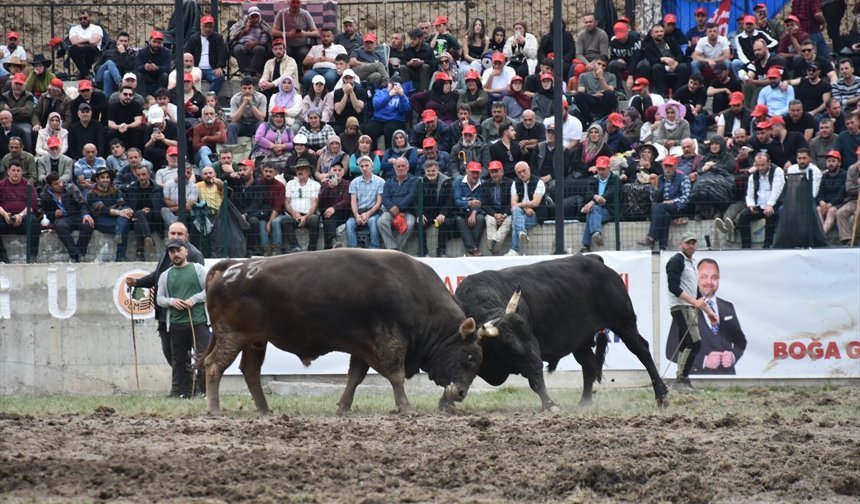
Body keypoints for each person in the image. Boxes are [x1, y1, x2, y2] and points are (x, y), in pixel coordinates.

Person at [127, 222, 203, 370]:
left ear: (187, 237)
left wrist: (188, 301)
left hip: (186, 315)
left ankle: (194, 387)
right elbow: (157, 276)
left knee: (189, 353)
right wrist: (137, 282)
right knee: (170, 353)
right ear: (168, 235)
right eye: (172, 233)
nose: (175, 237)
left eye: (179, 234)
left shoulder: (195, 255)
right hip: (164, 312)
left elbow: (198, 285)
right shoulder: (166, 251)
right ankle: (184, 386)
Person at [156, 238, 210, 399]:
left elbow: (209, 290)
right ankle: (180, 391)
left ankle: (205, 391)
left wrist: (194, 299)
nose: (175, 254)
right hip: (176, 323)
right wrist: (171, 301)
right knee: (179, 360)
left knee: (203, 357)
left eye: (178, 250)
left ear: (186, 251)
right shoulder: (165, 275)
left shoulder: (198, 270)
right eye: (172, 252)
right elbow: (159, 299)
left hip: (199, 322)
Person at [637, 155, 691, 251]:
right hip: (664, 209)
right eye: (666, 166)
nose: (668, 168)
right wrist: (655, 187)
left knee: (660, 207)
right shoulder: (660, 178)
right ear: (662, 166)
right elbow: (654, 199)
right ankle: (663, 246)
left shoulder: (683, 178)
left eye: (670, 166)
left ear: (675, 166)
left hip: (679, 208)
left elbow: (686, 197)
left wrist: (672, 201)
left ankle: (651, 237)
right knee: (664, 213)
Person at [738, 152, 785, 248]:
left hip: (775, 203)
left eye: (763, 165)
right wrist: (751, 205)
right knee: (743, 216)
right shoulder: (753, 176)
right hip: (759, 205)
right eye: (758, 165)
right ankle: (746, 247)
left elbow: (777, 190)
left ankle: (767, 245)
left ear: (769, 162)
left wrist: (770, 204)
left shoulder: (777, 171)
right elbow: (749, 193)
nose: (760, 168)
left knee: (770, 214)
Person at [86, 166, 133, 262]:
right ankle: (120, 256)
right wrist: (119, 212)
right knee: (124, 224)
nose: (106, 180)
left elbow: (122, 203)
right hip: (100, 219)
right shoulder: (91, 193)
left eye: (107, 177)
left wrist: (128, 210)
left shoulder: (114, 189)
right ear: (97, 179)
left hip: (116, 217)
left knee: (125, 218)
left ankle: (118, 234)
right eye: (102, 177)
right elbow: (103, 210)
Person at [0, 161, 40, 263]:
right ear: (8, 171)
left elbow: (33, 205)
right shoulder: (1, 184)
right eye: (13, 170)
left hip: (23, 218)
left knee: (34, 221)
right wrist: (4, 214)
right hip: (4, 217)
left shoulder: (28, 185)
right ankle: (2, 258)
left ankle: (32, 256)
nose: (16, 173)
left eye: (18, 171)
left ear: (22, 172)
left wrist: (20, 215)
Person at [579, 156, 618, 252]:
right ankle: (595, 234)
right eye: (599, 168)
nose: (600, 171)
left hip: (609, 210)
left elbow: (609, 195)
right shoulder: (593, 179)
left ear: (609, 167)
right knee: (592, 212)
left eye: (603, 169)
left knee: (592, 210)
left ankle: (587, 244)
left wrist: (593, 201)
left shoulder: (615, 179)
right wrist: (595, 197)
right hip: (596, 209)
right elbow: (588, 194)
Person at [505, 161, 544, 256]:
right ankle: (522, 231)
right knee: (516, 211)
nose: (522, 174)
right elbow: (513, 204)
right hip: (521, 213)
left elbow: (536, 202)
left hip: (535, 214)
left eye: (524, 171)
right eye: (519, 172)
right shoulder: (515, 183)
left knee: (515, 221)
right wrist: (525, 208)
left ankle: (515, 250)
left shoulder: (539, 182)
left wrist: (523, 207)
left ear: (529, 170)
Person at [271, 0, 319, 76]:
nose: (295, 5)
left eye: (298, 2)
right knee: (285, 53)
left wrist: (304, 34)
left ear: (301, 3)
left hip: (302, 45)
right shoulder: (281, 13)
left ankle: (301, 76)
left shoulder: (305, 14)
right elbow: (273, 32)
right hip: (287, 44)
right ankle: (286, 76)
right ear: (288, 2)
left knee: (302, 53)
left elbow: (316, 33)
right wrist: (287, 34)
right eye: (293, 2)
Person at [346, 155, 385, 248]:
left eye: (366, 165)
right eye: (362, 166)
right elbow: (353, 202)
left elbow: (379, 202)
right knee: (349, 224)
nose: (364, 168)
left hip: (374, 210)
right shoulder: (354, 182)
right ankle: (353, 249)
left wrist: (368, 214)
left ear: (372, 166)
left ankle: (374, 247)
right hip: (359, 210)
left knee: (372, 221)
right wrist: (356, 215)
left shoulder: (380, 181)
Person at [185, 15, 228, 96]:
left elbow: (222, 53)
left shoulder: (218, 38)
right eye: (206, 26)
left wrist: (220, 66)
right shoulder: (193, 38)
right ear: (201, 26)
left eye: (210, 27)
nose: (208, 29)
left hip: (211, 69)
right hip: (196, 68)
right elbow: (188, 53)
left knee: (219, 77)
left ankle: (209, 98)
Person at [228, 6, 272, 78]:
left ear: (259, 16)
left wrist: (255, 43)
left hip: (256, 44)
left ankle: (249, 72)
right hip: (241, 43)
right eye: (253, 16)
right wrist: (245, 30)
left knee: (260, 50)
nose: (255, 18)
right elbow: (234, 37)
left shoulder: (263, 26)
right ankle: (246, 72)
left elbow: (264, 41)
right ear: (249, 17)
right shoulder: (241, 24)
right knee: (238, 49)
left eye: (256, 16)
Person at [453, 161, 485, 256]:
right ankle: (474, 250)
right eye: (473, 172)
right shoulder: (458, 182)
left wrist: (474, 212)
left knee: (480, 218)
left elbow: (481, 202)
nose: (475, 175)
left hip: (476, 212)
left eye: (477, 172)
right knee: (459, 219)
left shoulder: (482, 184)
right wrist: (469, 203)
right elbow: (457, 201)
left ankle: (470, 250)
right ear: (467, 171)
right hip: (461, 212)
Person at [317, 162, 350, 249]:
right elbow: (320, 201)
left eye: (339, 170)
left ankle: (328, 245)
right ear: (330, 172)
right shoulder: (325, 184)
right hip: (327, 214)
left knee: (329, 217)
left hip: (342, 213)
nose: (337, 172)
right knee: (328, 217)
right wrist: (329, 187)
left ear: (343, 173)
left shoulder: (347, 184)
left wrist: (334, 208)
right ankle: (332, 241)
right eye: (334, 170)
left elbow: (346, 200)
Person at [228, 77, 267, 144]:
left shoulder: (261, 97)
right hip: (241, 124)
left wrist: (252, 104)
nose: (247, 91)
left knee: (263, 125)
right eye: (244, 88)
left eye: (249, 88)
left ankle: (260, 151)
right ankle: (233, 150)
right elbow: (233, 119)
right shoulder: (235, 98)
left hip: (255, 123)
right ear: (241, 88)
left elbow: (261, 118)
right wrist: (243, 104)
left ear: (254, 88)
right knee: (231, 126)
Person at [817, 150, 847, 235]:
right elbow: (820, 193)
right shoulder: (825, 176)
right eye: (829, 161)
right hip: (826, 203)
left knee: (831, 210)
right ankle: (823, 235)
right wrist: (822, 202)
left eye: (834, 161)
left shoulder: (844, 175)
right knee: (818, 209)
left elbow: (842, 194)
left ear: (839, 163)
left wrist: (830, 204)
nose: (831, 163)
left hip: (840, 202)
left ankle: (822, 235)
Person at [68, 9, 103, 79]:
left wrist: (80, 41)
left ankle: (82, 73)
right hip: (78, 50)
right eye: (80, 19)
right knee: (72, 49)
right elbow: (74, 42)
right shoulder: (74, 29)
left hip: (93, 50)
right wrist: (88, 39)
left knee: (90, 48)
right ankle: (86, 73)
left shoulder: (97, 28)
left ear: (90, 17)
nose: (83, 20)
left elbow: (94, 42)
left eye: (85, 18)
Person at [835, 147, 860, 245]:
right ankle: (847, 240)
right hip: (854, 200)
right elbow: (849, 189)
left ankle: (857, 238)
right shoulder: (852, 169)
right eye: (859, 155)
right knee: (840, 212)